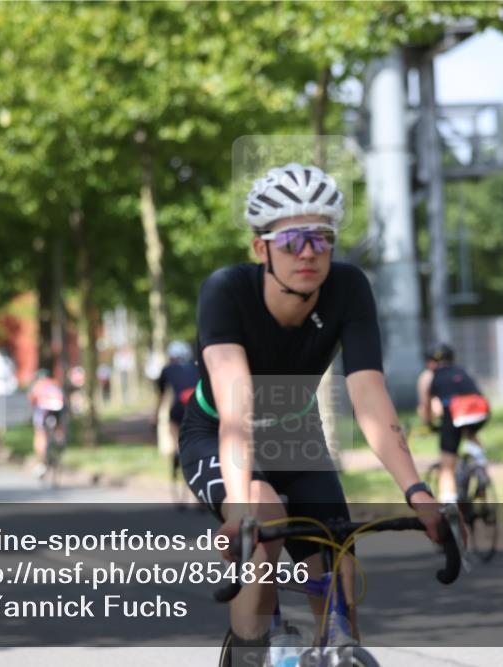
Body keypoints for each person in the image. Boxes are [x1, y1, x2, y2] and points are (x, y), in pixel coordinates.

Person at [178, 163, 443, 665]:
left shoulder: (348, 288)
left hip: (296, 433)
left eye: (321, 239)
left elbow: (369, 395)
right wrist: (238, 508)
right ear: (262, 249)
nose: (308, 253)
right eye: (293, 240)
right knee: (264, 517)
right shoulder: (226, 291)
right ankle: (253, 647)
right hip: (219, 432)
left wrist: (418, 492)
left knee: (340, 566)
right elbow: (236, 402)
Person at [416, 343, 491, 504]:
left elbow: (426, 407)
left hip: (455, 414)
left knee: (447, 465)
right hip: (480, 410)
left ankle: (449, 502)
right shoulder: (462, 370)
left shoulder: (428, 376)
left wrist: (429, 424)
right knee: (470, 432)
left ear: (430, 362)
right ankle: (480, 465)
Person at [152, 341, 199, 506]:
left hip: (178, 408)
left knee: (174, 428)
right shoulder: (197, 367)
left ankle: (178, 453)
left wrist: (155, 416)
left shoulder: (167, 370)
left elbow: (161, 395)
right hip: (196, 406)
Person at [29, 368, 65, 477]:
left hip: (44, 410)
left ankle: (41, 462)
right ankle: (60, 442)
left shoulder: (37, 385)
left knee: (40, 433)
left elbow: (33, 401)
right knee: (58, 427)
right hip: (58, 408)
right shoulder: (55, 383)